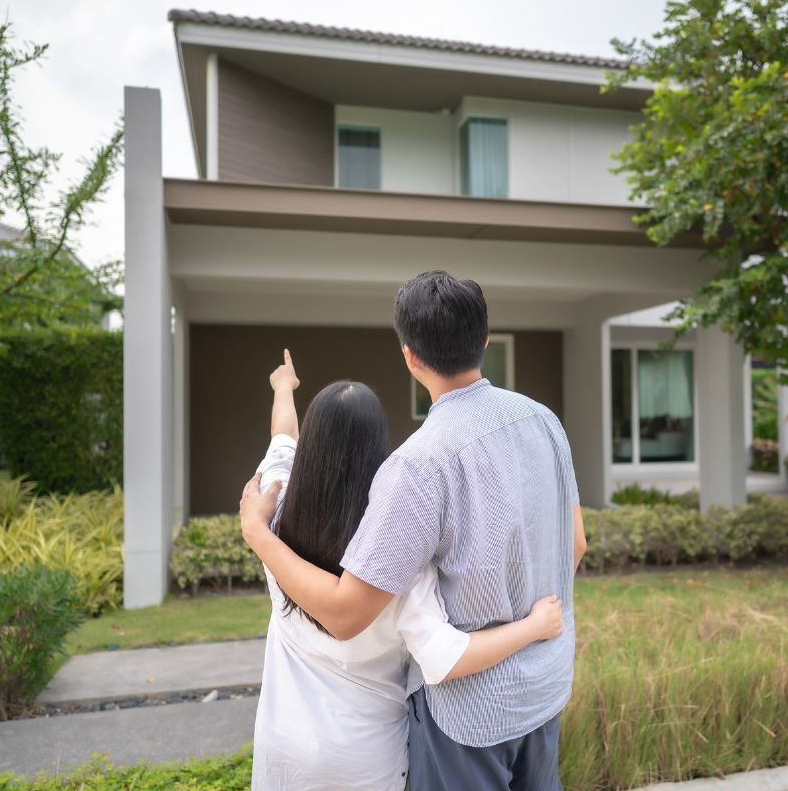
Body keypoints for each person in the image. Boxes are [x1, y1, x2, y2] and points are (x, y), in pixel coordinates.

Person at [242, 271, 586, 790]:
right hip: (544, 685)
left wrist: (259, 534)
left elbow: (346, 611)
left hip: (471, 716)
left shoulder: (418, 464)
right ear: (485, 340)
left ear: (409, 355)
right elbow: (575, 544)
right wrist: (535, 622)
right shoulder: (544, 421)